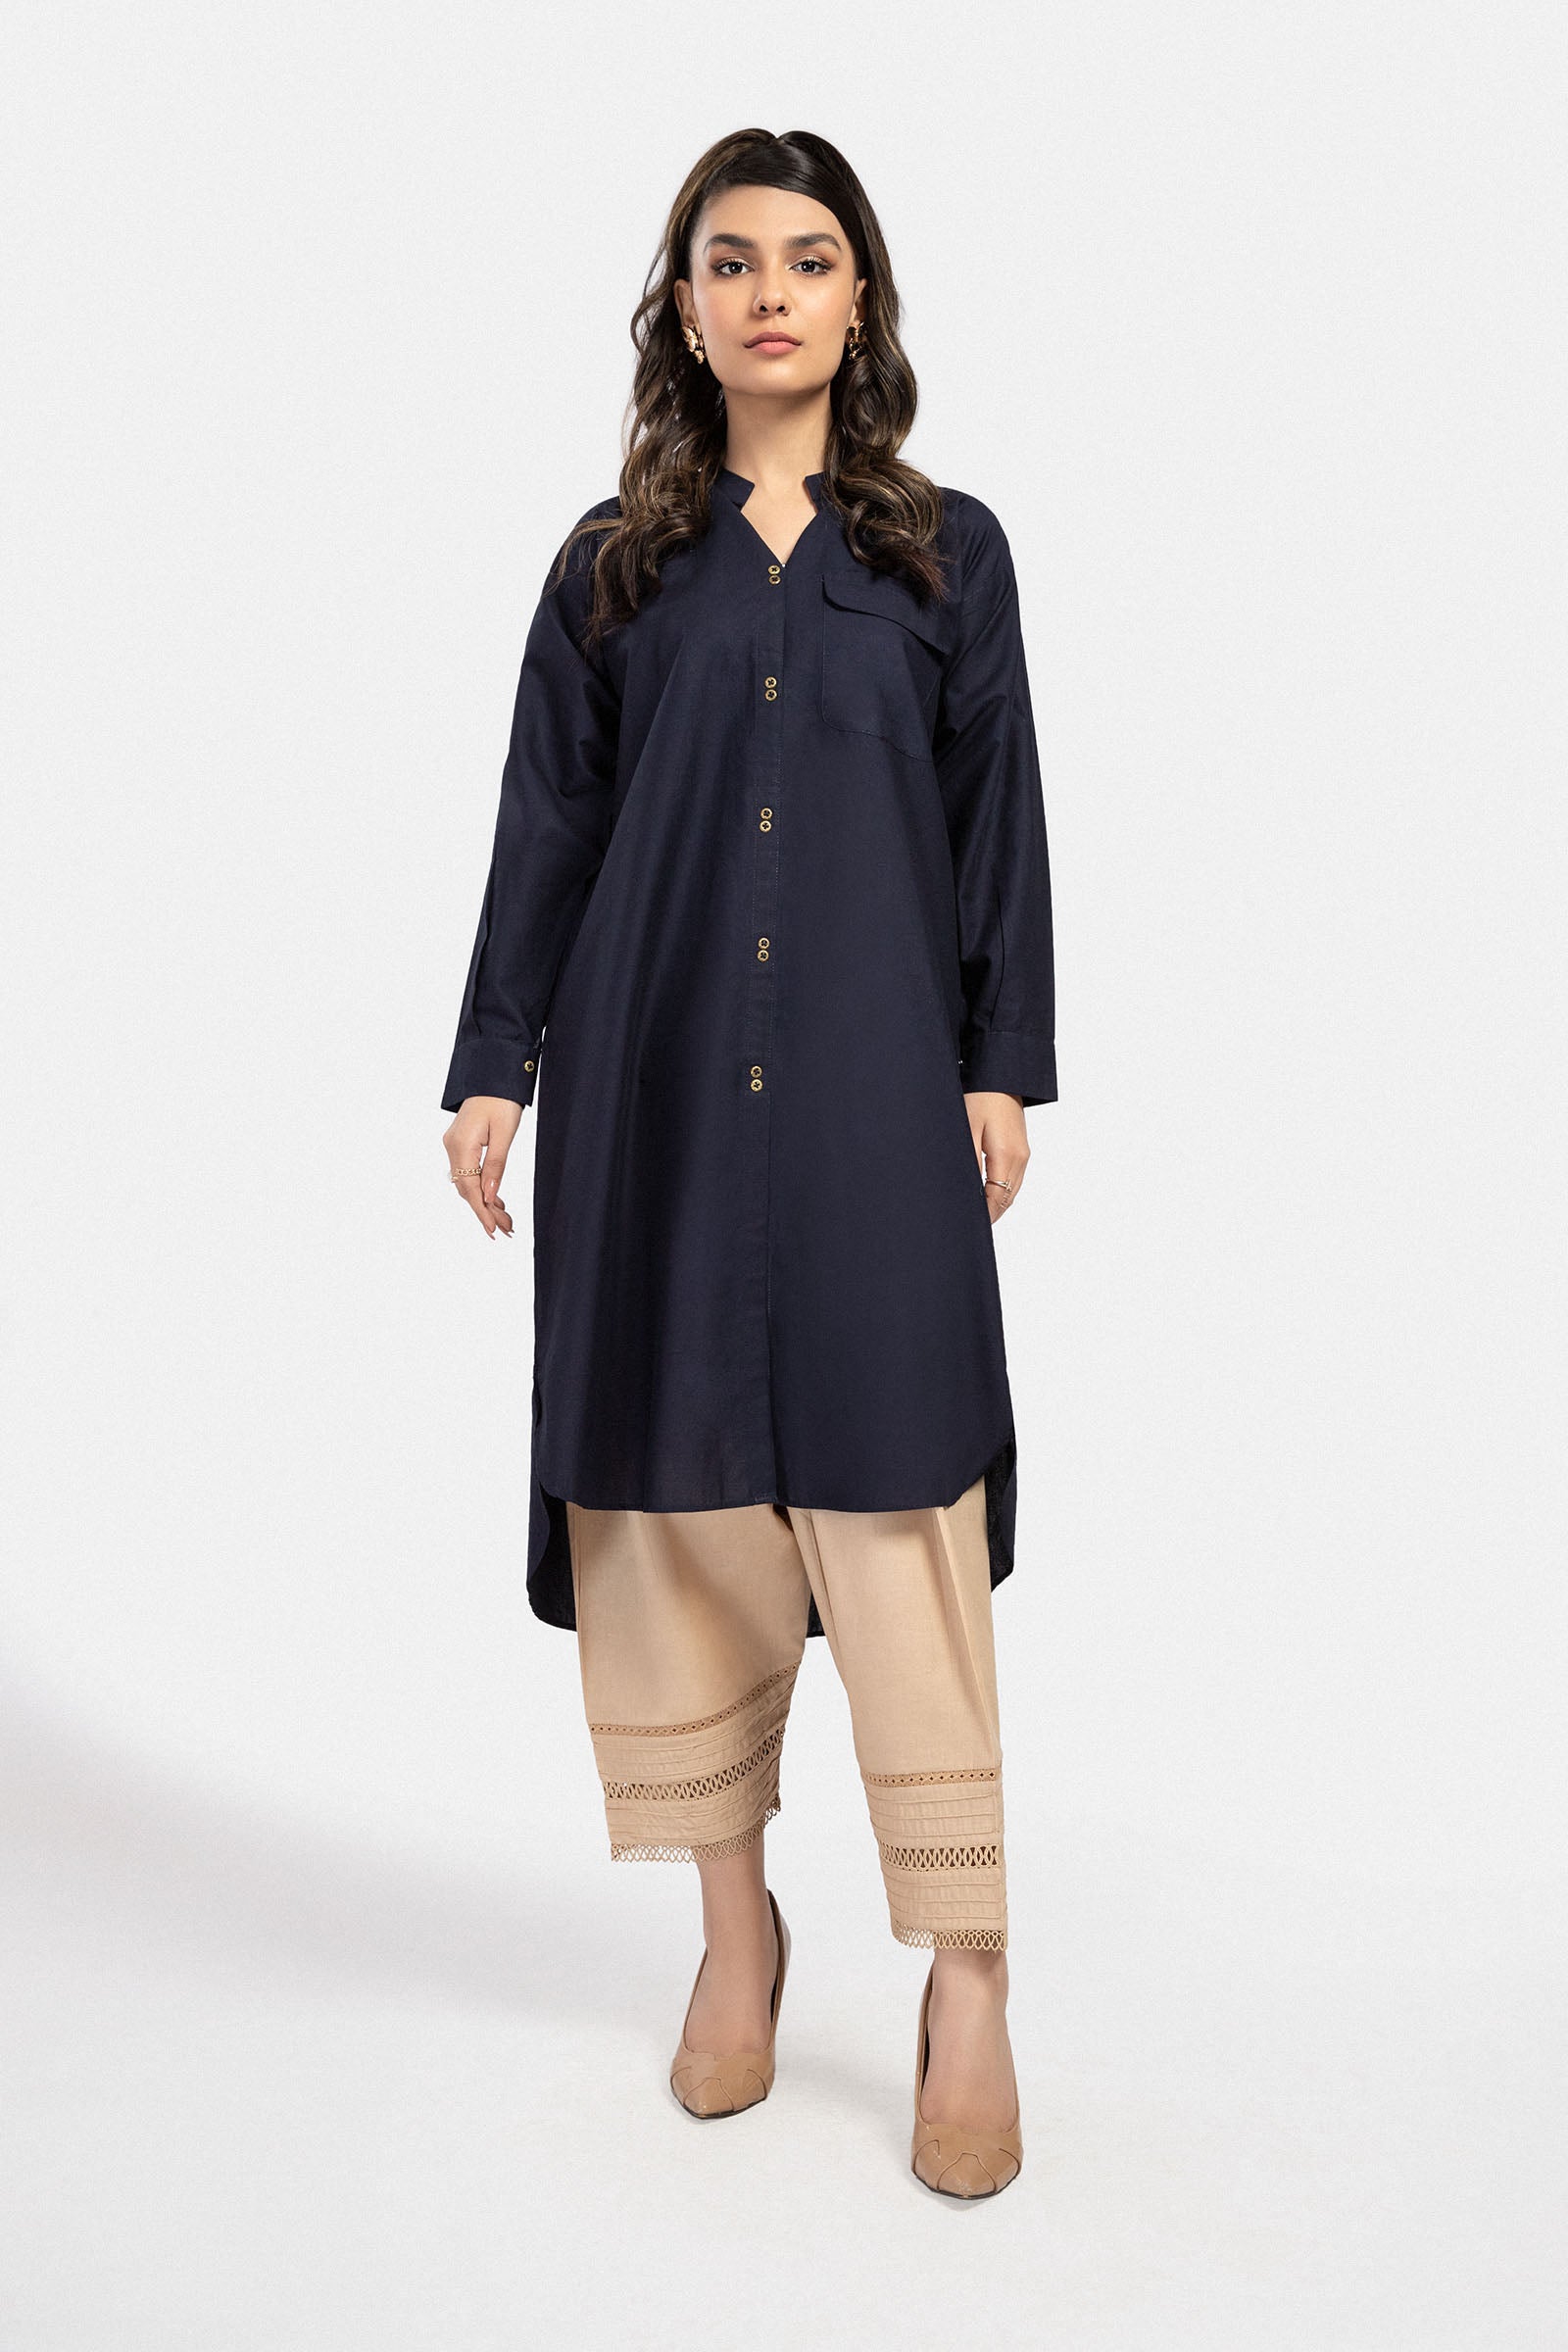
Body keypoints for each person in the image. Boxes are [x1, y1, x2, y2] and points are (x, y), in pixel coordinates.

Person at [440, 127, 1056, 2199]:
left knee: (902, 1507)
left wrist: (1001, 1065)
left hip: (882, 1088)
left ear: (858, 300)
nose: (769, 291)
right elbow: (547, 823)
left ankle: (965, 1974)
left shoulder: (945, 556)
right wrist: (497, 1064)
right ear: (683, 307)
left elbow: (997, 817)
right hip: (658, 1084)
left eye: (807, 257)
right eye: (730, 260)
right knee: (675, 1501)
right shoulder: (610, 566)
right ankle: (733, 1934)